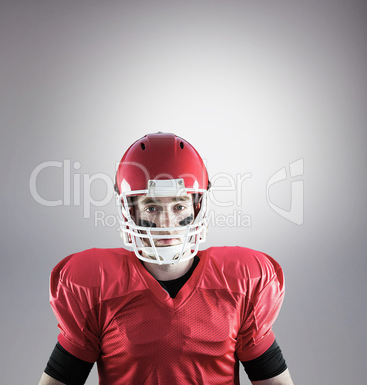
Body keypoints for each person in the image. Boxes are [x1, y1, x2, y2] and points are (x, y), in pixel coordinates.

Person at [38, 132, 294, 385]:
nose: (167, 224)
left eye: (179, 206)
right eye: (151, 208)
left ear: (197, 208)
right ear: (130, 212)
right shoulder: (94, 285)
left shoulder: (243, 281)